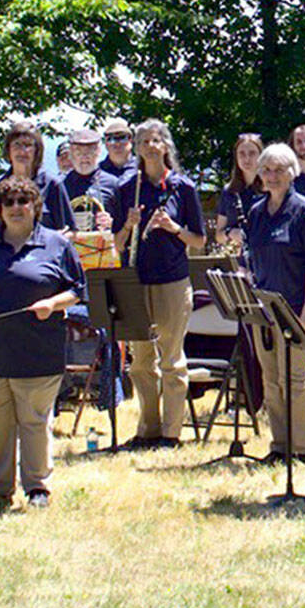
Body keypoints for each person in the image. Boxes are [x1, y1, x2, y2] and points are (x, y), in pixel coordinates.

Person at [0, 176, 85, 509]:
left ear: (35, 207)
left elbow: (77, 289)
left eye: (22, 202)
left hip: (37, 352)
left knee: (33, 422)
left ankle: (37, 486)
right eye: (8, 203)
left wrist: (52, 305)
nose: (16, 208)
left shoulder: (57, 245)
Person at [112, 119, 206, 449]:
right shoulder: (127, 189)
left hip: (172, 281)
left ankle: (171, 432)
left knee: (171, 358)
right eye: (144, 141)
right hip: (136, 280)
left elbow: (199, 241)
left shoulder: (184, 188)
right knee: (139, 361)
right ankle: (147, 429)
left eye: (156, 140)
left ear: (165, 146)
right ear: (137, 149)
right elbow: (116, 245)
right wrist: (128, 225)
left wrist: (173, 228)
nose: (150, 146)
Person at [246, 143, 305, 463]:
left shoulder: (304, 210)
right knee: (272, 380)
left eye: (279, 170)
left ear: (292, 173)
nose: (272, 176)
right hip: (265, 308)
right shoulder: (255, 212)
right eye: (266, 170)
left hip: (297, 307)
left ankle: (302, 450)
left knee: (294, 379)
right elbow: (252, 258)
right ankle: (280, 446)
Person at [0, 121, 75, 235]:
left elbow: (69, 232)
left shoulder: (53, 185)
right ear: (8, 150)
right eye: (17, 144)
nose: (22, 151)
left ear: (37, 151)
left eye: (28, 145)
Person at [216, 133, 264, 255]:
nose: (247, 159)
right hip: (239, 259)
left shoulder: (270, 188)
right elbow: (218, 235)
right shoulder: (229, 191)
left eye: (252, 153)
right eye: (241, 154)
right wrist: (230, 233)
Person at [62, 128, 119, 230]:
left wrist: (111, 223)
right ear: (70, 153)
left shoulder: (113, 184)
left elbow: (124, 225)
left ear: (99, 152)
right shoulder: (60, 185)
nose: (84, 157)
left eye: (90, 151)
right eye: (78, 152)